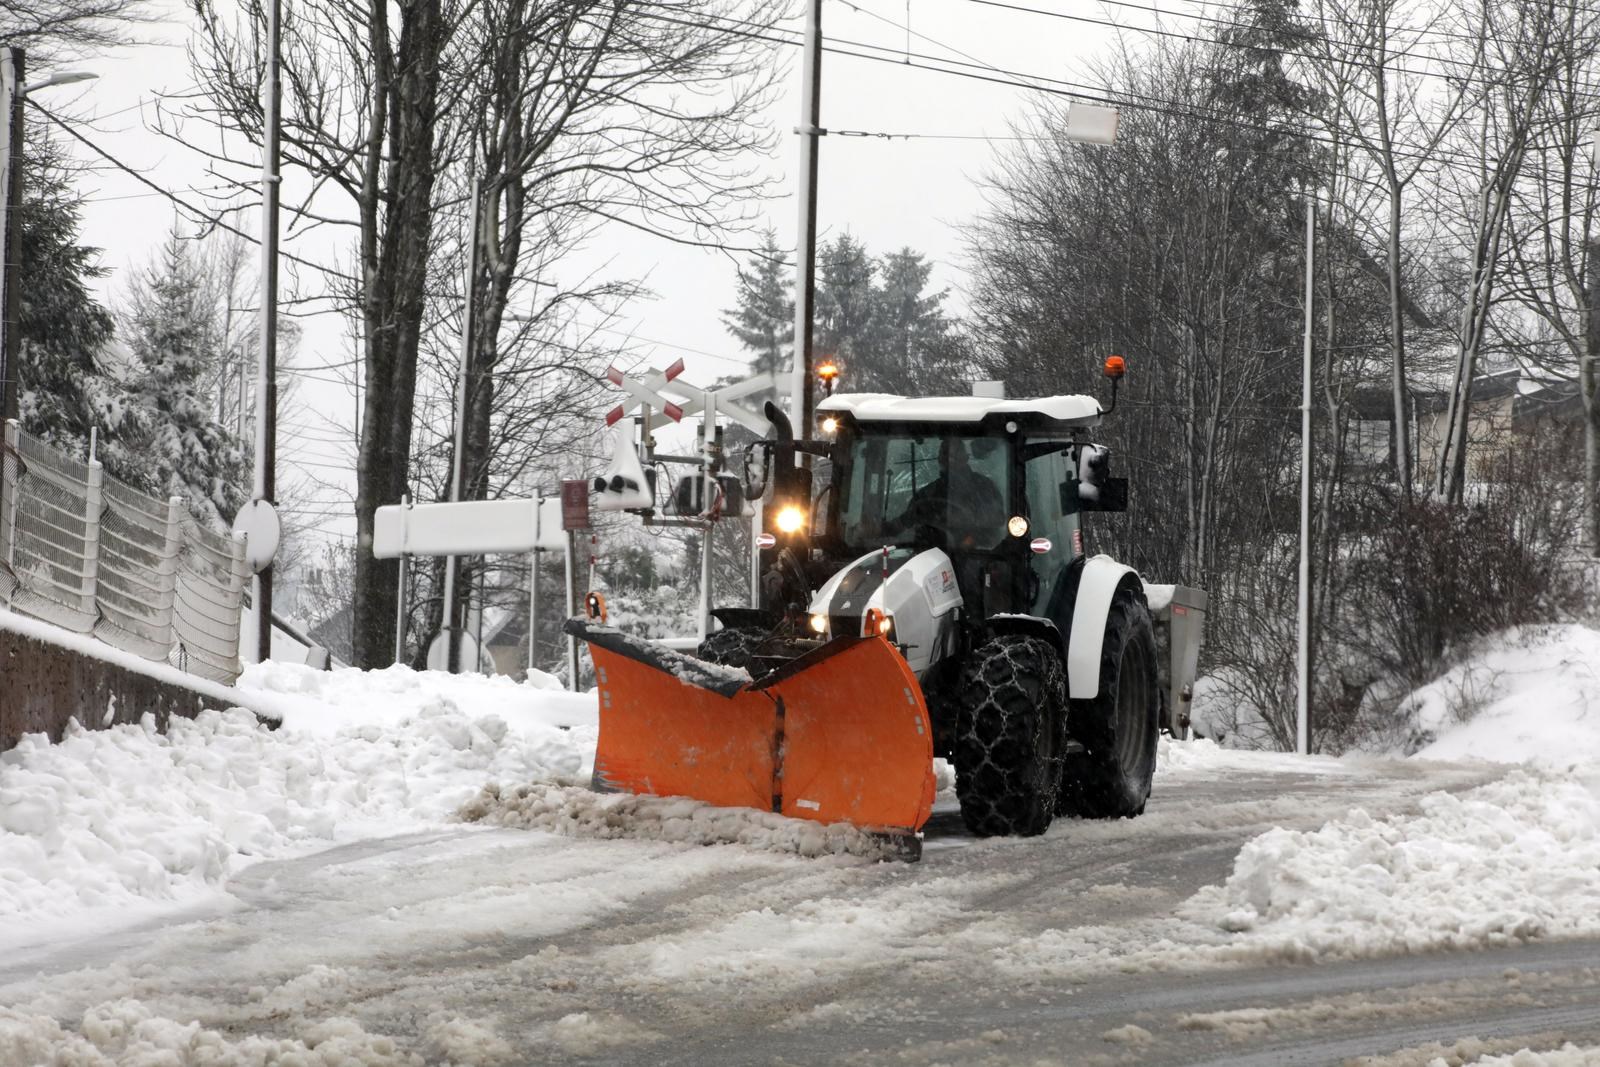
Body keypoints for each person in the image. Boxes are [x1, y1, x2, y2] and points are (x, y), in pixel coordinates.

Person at [899, 439, 1006, 547]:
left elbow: (995, 525)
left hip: (978, 556)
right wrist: (887, 529)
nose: (949, 459)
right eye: (945, 453)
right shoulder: (927, 494)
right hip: (932, 557)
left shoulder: (984, 488)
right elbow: (907, 522)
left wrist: (971, 540)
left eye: (955, 454)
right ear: (940, 459)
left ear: (966, 458)